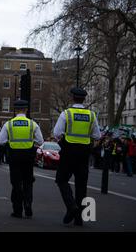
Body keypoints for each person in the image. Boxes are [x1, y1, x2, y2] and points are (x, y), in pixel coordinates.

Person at [53, 87, 101, 226]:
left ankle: (71, 206)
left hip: (68, 151)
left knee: (61, 180)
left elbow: (57, 133)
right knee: (81, 185)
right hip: (84, 152)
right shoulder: (91, 115)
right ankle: (78, 218)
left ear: (72, 98)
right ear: (84, 99)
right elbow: (97, 135)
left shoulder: (66, 114)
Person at [0, 100, 44, 219]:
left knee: (16, 183)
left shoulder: (9, 124)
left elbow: (1, 140)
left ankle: (17, 210)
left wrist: (10, 143)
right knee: (28, 182)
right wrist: (31, 143)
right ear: (26, 110)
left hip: (14, 156)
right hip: (28, 156)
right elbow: (40, 141)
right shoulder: (32, 124)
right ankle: (28, 204)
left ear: (15, 110)